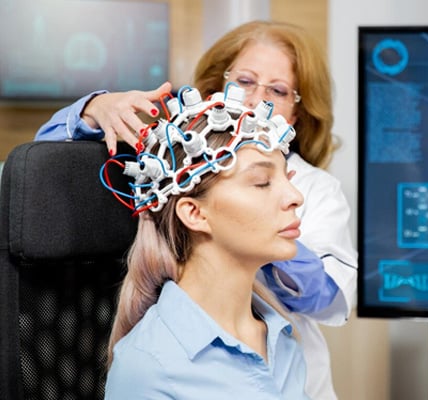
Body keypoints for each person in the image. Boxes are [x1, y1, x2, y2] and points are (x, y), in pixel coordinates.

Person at [35, 20, 357, 400]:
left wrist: (263, 229)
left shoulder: (284, 345)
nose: (256, 100)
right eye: (245, 81)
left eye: (279, 90)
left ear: (296, 115)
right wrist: (93, 108)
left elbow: (330, 299)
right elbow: (42, 172)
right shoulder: (177, 160)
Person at [102, 87, 308, 398]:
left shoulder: (282, 338)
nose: (296, 197)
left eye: (287, 178)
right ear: (195, 213)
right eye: (262, 182)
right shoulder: (149, 368)